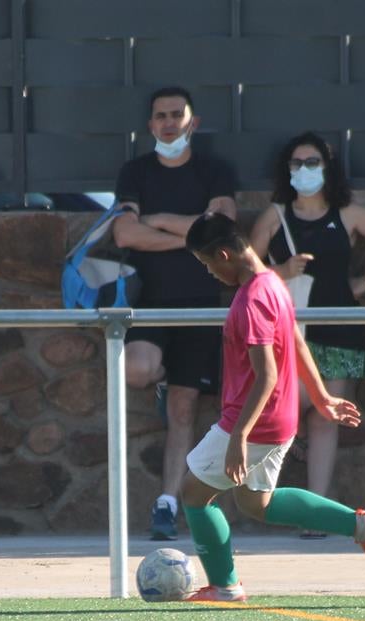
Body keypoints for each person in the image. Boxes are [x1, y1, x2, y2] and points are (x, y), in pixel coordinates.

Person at [178, 213, 365, 602]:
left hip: (255, 421)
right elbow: (296, 340)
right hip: (279, 418)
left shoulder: (252, 299)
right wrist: (321, 398)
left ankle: (225, 587)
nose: (210, 273)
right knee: (256, 502)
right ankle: (363, 526)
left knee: (193, 492)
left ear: (224, 254)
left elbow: (267, 375)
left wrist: (238, 436)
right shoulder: (273, 282)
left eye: (207, 264)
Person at [249, 132, 365, 536]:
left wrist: (364, 283)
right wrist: (281, 272)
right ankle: (264, 497)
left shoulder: (347, 214)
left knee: (326, 419)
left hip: (339, 330)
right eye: (296, 163)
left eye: (313, 162)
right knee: (287, 411)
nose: (304, 170)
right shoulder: (274, 216)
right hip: (289, 330)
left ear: (327, 168)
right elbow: (246, 274)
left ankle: (316, 513)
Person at [112, 86, 237, 541]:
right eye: (160, 115)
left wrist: (159, 220)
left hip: (201, 305)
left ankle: (166, 503)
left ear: (192, 122)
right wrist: (191, 235)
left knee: (183, 408)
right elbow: (125, 234)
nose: (168, 122)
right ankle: (162, 376)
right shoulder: (135, 172)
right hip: (148, 303)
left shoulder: (214, 171)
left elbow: (222, 230)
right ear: (150, 125)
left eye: (176, 114)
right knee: (136, 371)